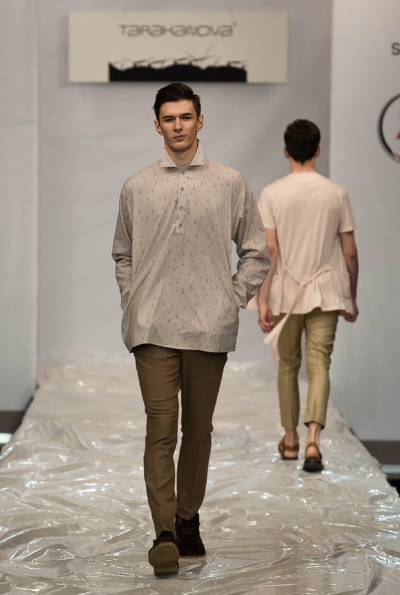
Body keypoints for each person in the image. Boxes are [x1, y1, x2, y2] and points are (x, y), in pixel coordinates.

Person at [112, 83, 270, 575]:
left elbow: (256, 250)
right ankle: (164, 533)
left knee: (197, 429)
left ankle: (187, 518)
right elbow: (122, 253)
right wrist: (133, 298)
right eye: (169, 118)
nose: (177, 125)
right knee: (160, 429)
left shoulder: (230, 182)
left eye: (185, 116)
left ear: (200, 121)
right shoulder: (136, 186)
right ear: (156, 125)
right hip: (152, 325)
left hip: (207, 325)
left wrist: (231, 298)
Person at [257, 119, 359, 473]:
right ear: (318, 150)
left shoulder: (272, 194)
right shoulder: (336, 193)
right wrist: (351, 296)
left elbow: (270, 250)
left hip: (286, 291)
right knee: (319, 364)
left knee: (288, 365)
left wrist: (263, 299)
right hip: (327, 292)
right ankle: (313, 440)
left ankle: (290, 439)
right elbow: (349, 252)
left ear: (286, 152)